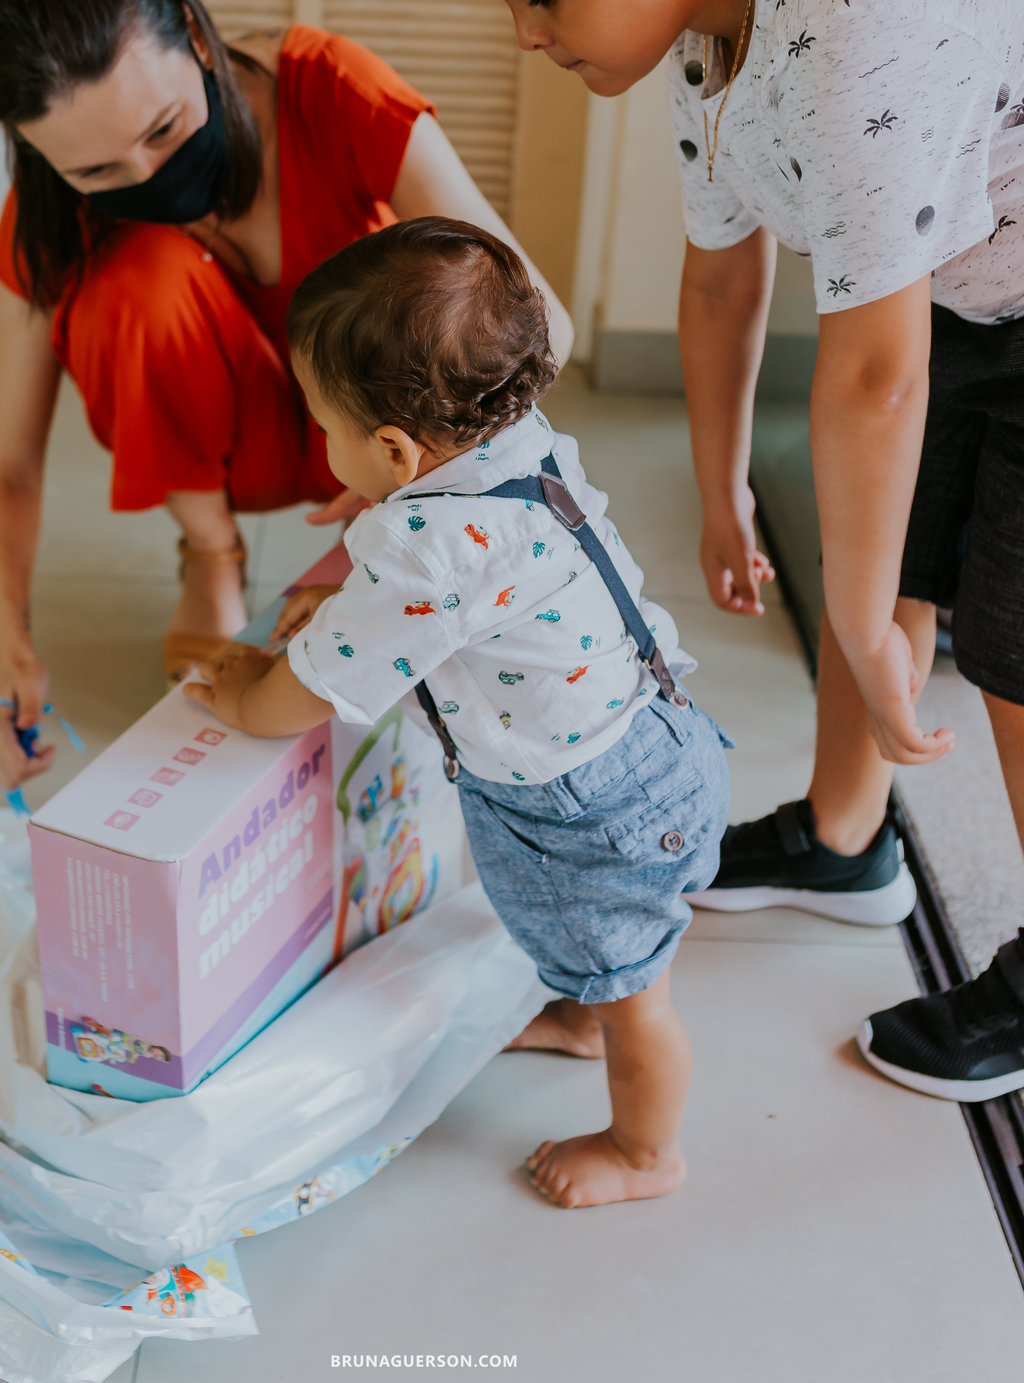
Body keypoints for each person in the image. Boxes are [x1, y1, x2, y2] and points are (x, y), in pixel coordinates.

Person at [448, 0, 1024, 1103]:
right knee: (891, 548)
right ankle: (845, 840)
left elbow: (875, 374)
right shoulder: (710, 20)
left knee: (1010, 638)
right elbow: (722, 275)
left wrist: (861, 629)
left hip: (989, 277)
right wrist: (722, 493)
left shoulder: (856, 18)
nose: (527, 36)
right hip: (977, 265)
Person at [185, 216, 732, 1209]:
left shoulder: (425, 555)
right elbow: (459, 579)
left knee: (639, 995)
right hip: (662, 735)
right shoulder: (518, 437)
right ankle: (579, 1016)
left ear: (396, 450)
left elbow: (299, 698)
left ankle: (647, 1154)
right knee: (604, 962)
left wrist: (235, 686)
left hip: (591, 817)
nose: (322, 443)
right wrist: (355, 584)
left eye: (323, 425)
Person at [0, 0, 572, 798]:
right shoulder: (49, 210)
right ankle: (212, 554)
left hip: (385, 432)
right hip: (222, 451)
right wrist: (7, 652)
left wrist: (425, 466)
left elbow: (545, 325)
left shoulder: (328, 86)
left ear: (194, 35)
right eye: (97, 169)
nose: (149, 172)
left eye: (164, 127)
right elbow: (8, 468)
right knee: (138, 279)